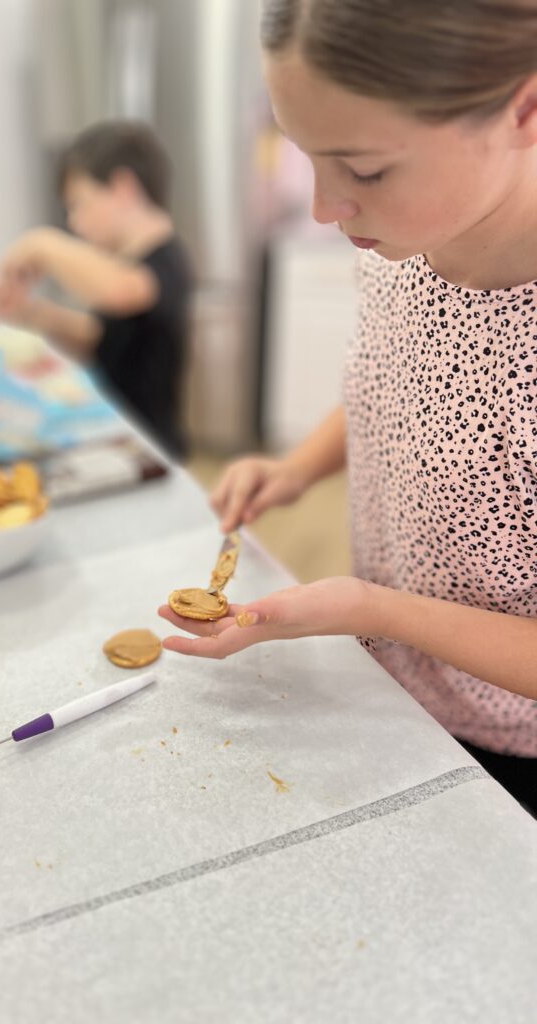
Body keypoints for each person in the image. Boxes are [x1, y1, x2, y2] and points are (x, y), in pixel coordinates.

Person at [158, 0, 537, 814]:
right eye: (306, 157)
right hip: (390, 683)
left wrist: (371, 608)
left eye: (364, 169)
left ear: (525, 107)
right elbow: (395, 385)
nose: (327, 207)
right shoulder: (403, 248)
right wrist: (296, 468)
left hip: (507, 748)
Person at [0, 120, 192, 458]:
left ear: (123, 188)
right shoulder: (127, 264)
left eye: (78, 203)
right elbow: (101, 339)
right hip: (118, 436)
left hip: (150, 451)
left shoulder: (165, 261)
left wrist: (42, 242)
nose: (74, 222)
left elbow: (119, 292)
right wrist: (31, 313)